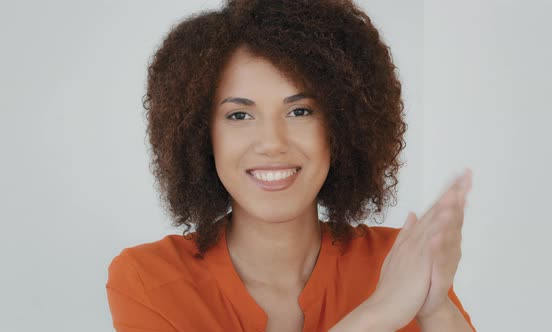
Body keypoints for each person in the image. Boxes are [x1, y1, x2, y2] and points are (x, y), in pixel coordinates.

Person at [105, 0, 477, 331]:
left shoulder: (399, 263)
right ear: (202, 134)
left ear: (341, 125)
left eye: (300, 111)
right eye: (239, 115)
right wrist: (376, 316)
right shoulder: (148, 279)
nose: (272, 143)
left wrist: (434, 307)